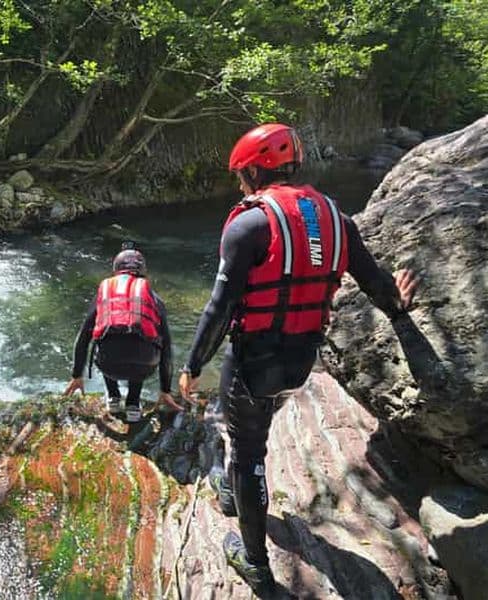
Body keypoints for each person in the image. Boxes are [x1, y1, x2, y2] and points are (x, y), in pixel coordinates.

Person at [179, 123, 419, 592]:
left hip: (253, 364)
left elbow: (220, 307)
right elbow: (377, 286)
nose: (238, 183)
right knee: (252, 431)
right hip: (301, 363)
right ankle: (232, 490)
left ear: (253, 170)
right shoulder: (336, 219)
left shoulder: (249, 223)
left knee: (249, 452)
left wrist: (191, 366)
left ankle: (254, 562)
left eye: (239, 174)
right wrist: (398, 305)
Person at [64, 244, 177, 422]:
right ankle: (133, 404)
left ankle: (113, 398)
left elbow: (84, 336)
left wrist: (77, 375)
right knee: (143, 343)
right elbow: (167, 346)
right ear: (143, 271)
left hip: (108, 365)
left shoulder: (104, 293)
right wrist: (165, 389)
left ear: (116, 270)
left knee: (106, 337)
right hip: (144, 368)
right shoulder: (154, 298)